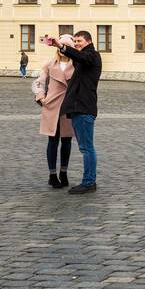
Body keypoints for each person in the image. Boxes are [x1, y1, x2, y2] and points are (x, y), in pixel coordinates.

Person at [46, 31, 103, 194]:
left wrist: (61, 46)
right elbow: (78, 58)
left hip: (84, 108)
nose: (76, 43)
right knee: (86, 148)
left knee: (87, 148)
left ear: (88, 41)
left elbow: (82, 57)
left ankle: (89, 182)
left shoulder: (92, 55)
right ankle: (89, 181)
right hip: (78, 108)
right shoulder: (82, 58)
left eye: (79, 41)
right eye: (75, 41)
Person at [34, 35, 75, 188]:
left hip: (68, 108)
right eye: (61, 45)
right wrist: (41, 98)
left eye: (66, 46)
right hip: (52, 106)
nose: (63, 49)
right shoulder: (50, 65)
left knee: (66, 141)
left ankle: (63, 172)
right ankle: (52, 175)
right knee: (53, 141)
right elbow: (39, 82)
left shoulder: (76, 65)